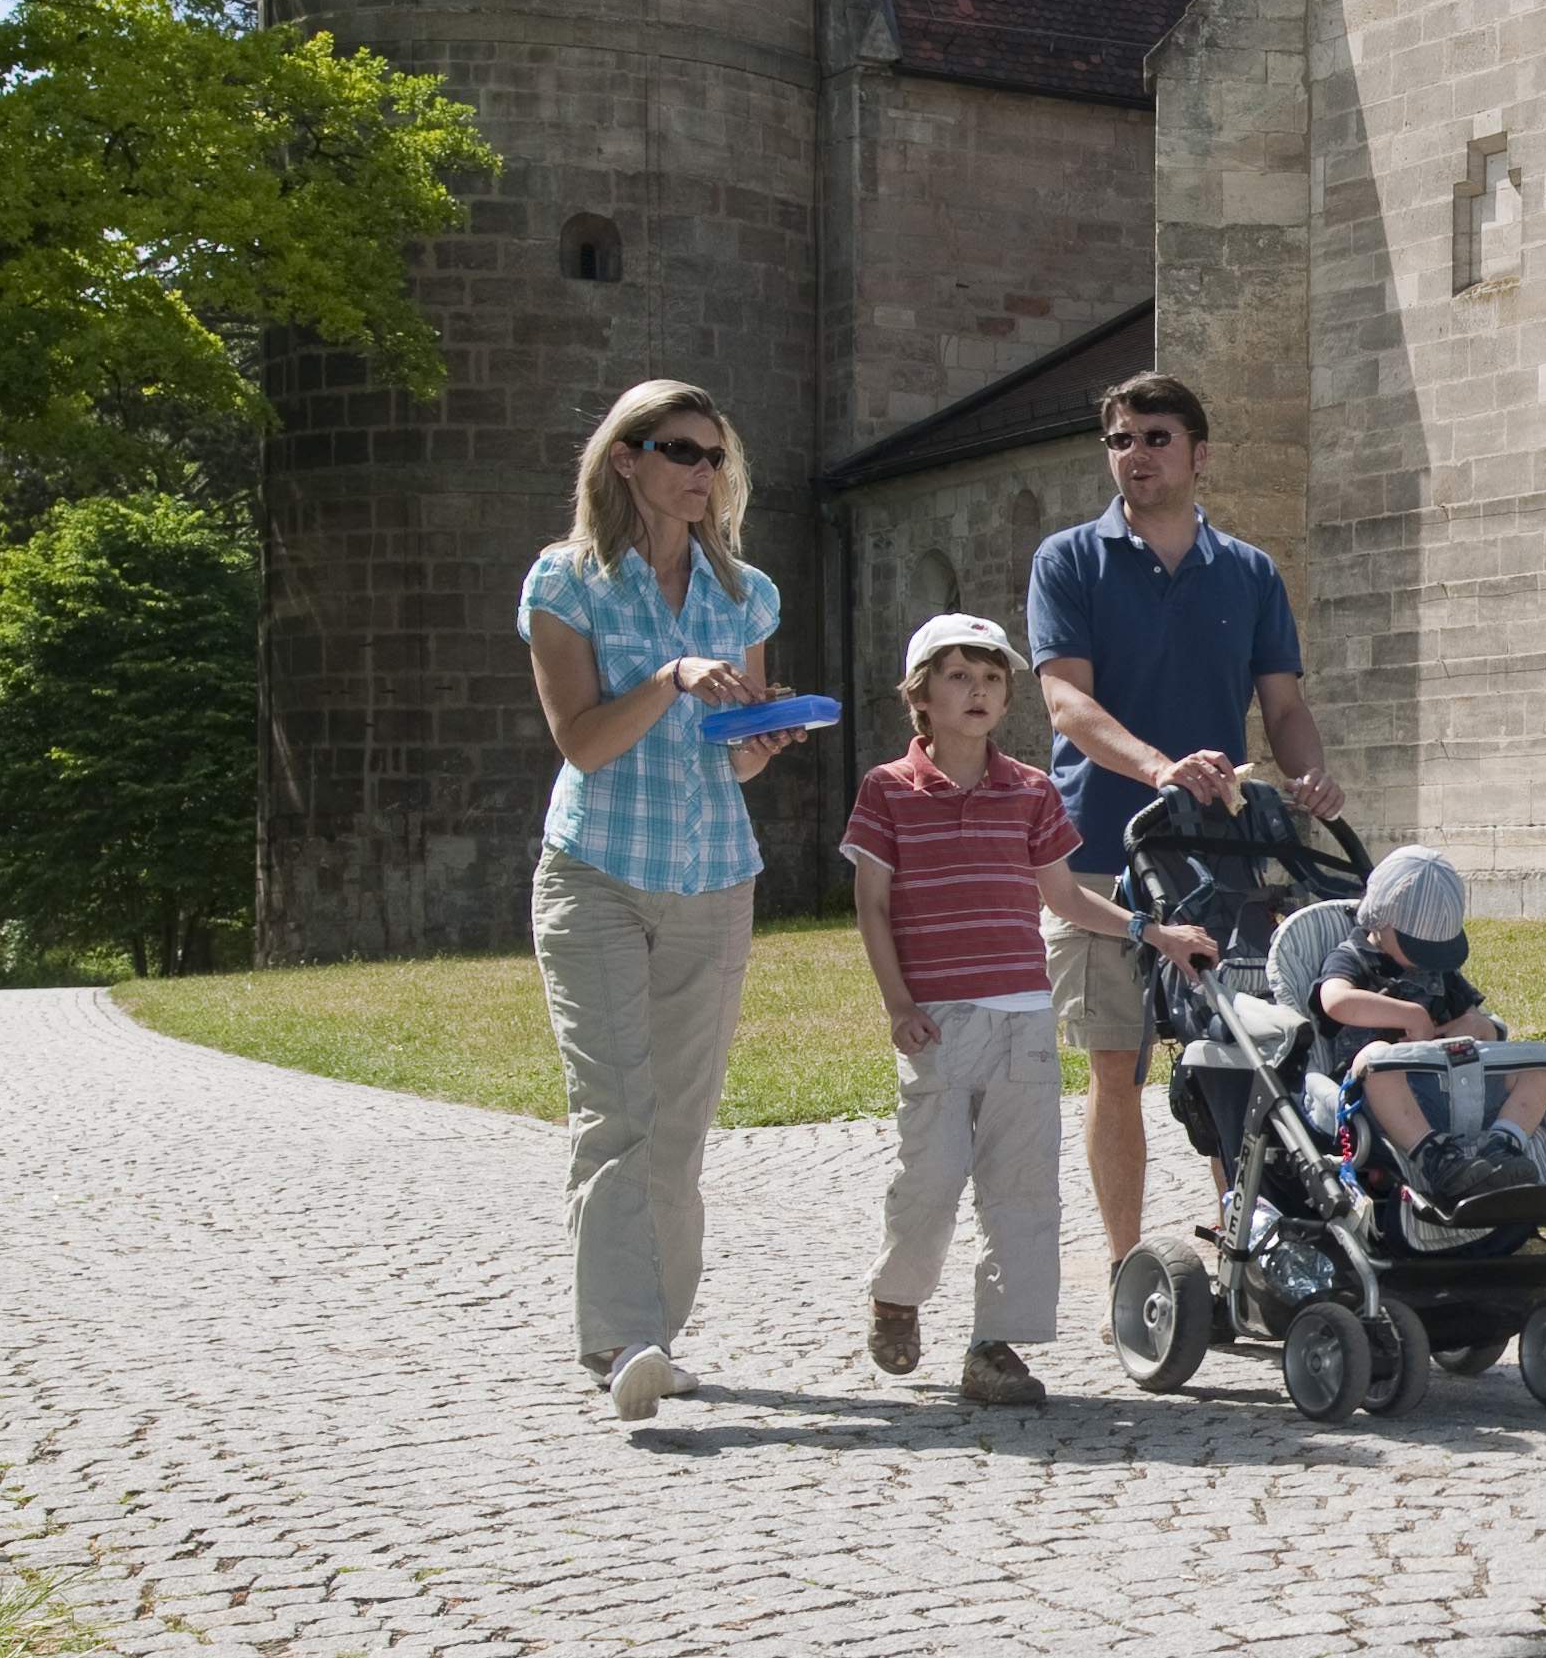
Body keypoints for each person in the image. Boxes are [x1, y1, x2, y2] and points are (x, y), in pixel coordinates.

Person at [1028, 370, 1341, 1365]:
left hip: (1222, 859)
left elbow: (1281, 703)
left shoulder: (1246, 572)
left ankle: (1245, 1255)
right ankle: (1135, 1278)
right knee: (1115, 1062)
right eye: (1121, 439)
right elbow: (1065, 706)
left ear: (1198, 454)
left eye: (1156, 437)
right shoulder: (1069, 561)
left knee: (1235, 1062)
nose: (1136, 454)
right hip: (1099, 851)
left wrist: (1309, 775)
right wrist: (1160, 765)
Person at [521, 374, 813, 1422]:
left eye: (713, 455)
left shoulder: (747, 596)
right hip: (596, 872)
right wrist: (670, 679)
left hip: (710, 877)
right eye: (680, 451)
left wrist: (761, 743)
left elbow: (727, 767)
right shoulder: (567, 584)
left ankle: (658, 1332)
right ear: (625, 458)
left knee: (680, 1126)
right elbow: (584, 745)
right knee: (617, 1113)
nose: (703, 472)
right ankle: (621, 1339)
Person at [847, 611, 1211, 1410]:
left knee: (1022, 1189)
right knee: (932, 1175)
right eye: (957, 676)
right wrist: (898, 1002)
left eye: (991, 677)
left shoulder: (1032, 790)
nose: (977, 691)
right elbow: (873, 906)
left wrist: (1154, 930)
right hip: (937, 1020)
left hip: (1022, 1018)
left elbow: (1064, 894)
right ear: (920, 695)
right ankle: (897, 1294)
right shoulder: (886, 790)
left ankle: (994, 1347)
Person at [1306, 844, 1546, 1204]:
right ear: (1382, 920)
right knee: (1377, 1057)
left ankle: (1503, 1146)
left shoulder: (1439, 971)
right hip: (1384, 1096)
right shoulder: (1354, 956)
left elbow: (1478, 1019)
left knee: (1539, 1067)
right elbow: (1335, 1001)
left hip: (1453, 1085)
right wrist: (1408, 1015)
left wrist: (1478, 1027)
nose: (1425, 961)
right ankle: (1437, 1159)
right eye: (1419, 947)